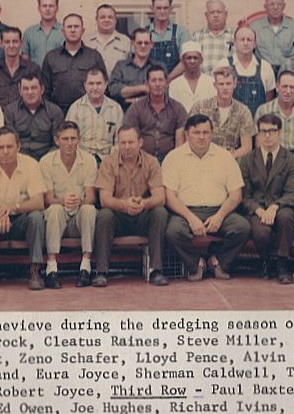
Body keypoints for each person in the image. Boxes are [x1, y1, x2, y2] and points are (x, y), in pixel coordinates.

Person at [163, 115, 252, 281]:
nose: (201, 137)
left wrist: (220, 216)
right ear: (187, 134)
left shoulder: (225, 156)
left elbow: (236, 194)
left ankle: (217, 261)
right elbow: (169, 196)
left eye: (206, 132)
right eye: (196, 133)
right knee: (173, 232)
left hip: (219, 210)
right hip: (185, 211)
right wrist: (190, 218)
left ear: (212, 134)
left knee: (243, 227)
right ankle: (196, 264)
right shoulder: (174, 157)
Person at [94, 125, 170, 287]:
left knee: (160, 212)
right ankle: (101, 272)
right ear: (118, 144)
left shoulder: (151, 162)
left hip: (143, 215)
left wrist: (144, 203)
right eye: (123, 143)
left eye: (131, 142)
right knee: (104, 214)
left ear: (140, 142)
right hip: (119, 217)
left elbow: (160, 197)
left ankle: (156, 270)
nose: (127, 147)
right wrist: (124, 204)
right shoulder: (108, 163)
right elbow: (104, 199)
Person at [0, 127, 47, 291]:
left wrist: (12, 208)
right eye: (0, 147)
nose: (5, 151)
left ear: (18, 146)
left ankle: (36, 271)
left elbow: (38, 202)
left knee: (36, 217)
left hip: (21, 219)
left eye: (10, 146)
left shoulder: (31, 164)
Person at [239, 115, 294, 283]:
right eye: (263, 131)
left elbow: (292, 193)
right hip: (257, 208)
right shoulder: (247, 160)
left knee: (286, 218)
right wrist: (259, 210)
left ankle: (282, 264)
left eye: (272, 131)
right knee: (262, 232)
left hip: (281, 206)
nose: (267, 136)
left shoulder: (292, 160)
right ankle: (265, 262)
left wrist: (275, 207)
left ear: (280, 133)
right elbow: (245, 196)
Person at [40, 121, 99, 287]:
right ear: (56, 140)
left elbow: (91, 196)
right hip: (57, 219)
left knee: (89, 209)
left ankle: (85, 267)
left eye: (73, 138)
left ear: (79, 139)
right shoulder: (46, 162)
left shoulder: (89, 160)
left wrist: (80, 201)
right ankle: (51, 268)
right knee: (54, 209)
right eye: (65, 139)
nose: (69, 143)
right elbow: (47, 199)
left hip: (79, 217)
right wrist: (62, 201)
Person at [41, 13, 107, 112]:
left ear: (82, 31)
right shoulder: (51, 57)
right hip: (58, 112)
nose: (73, 30)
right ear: (63, 31)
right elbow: (45, 90)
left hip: (87, 111)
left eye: (76, 26)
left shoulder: (94, 57)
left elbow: (104, 87)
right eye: (69, 27)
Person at [121, 65, 187, 161]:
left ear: (167, 83)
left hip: (170, 160)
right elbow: (131, 138)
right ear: (147, 84)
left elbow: (180, 144)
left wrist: (174, 162)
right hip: (142, 160)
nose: (157, 84)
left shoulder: (177, 108)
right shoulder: (136, 108)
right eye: (153, 80)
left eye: (160, 80)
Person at [189, 65, 255, 158]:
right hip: (202, 157)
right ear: (215, 85)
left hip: (230, 159)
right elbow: (189, 139)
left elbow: (247, 147)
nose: (225, 87)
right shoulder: (200, 107)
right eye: (221, 84)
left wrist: (226, 158)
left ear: (235, 84)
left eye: (228, 83)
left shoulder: (243, 111)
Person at [255, 69, 294, 155]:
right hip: (272, 157)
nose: (288, 91)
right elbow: (259, 144)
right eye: (284, 86)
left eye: (292, 87)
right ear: (277, 87)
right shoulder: (264, 111)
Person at [66, 68, 124, 163]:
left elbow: (120, 141)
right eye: (91, 84)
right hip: (81, 160)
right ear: (85, 85)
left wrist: (111, 160)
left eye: (99, 83)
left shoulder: (116, 109)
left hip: (108, 160)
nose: (95, 87)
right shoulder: (75, 108)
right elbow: (69, 139)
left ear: (106, 84)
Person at [4, 70, 64, 160]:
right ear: (20, 91)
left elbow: (57, 143)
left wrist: (45, 161)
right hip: (19, 160)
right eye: (25, 89)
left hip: (47, 160)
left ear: (42, 89)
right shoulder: (10, 111)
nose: (30, 92)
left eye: (34, 88)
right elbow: (11, 142)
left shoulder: (54, 112)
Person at [0, 26, 34, 109]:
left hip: (23, 116)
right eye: (7, 42)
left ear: (21, 43)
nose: (11, 45)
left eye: (15, 41)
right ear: (1, 43)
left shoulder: (32, 68)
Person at [249, 0, 294, 72]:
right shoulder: (254, 27)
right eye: (272, 4)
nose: (275, 7)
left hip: (288, 71)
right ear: (265, 6)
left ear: (284, 6)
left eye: (279, 4)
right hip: (262, 71)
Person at [228, 26, 275, 114]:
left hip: (258, 120)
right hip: (232, 120)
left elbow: (269, 100)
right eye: (242, 39)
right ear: (235, 42)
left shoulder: (266, 67)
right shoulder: (224, 64)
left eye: (249, 40)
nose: (246, 43)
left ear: (255, 44)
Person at [109, 27, 156, 107]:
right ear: (132, 43)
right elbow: (113, 90)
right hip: (125, 112)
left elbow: (163, 92)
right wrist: (143, 88)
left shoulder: (158, 67)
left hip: (152, 112)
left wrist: (132, 97)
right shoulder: (121, 66)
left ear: (151, 44)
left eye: (146, 43)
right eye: (139, 43)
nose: (143, 46)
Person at [83, 4, 131, 78]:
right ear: (96, 20)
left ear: (115, 20)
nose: (106, 20)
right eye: (102, 17)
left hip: (118, 84)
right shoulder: (86, 42)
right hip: (93, 84)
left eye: (110, 17)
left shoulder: (126, 41)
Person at [147, 0, 189, 73]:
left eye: (165, 8)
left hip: (175, 79)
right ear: (152, 8)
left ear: (171, 9)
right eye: (159, 8)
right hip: (150, 79)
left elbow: (185, 61)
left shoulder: (181, 32)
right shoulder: (145, 33)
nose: (162, 11)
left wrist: (168, 78)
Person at [22, 0, 64, 66]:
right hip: (35, 73)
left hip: (59, 73)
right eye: (44, 6)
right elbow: (24, 60)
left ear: (57, 9)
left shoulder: (65, 31)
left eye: (51, 6)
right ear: (39, 8)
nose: (47, 9)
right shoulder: (29, 33)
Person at [168, 42, 216, 106]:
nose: (192, 61)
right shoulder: (174, 85)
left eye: (195, 58)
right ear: (183, 61)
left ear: (201, 60)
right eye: (189, 58)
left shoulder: (211, 83)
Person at [194, 0, 235, 72]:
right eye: (212, 12)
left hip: (226, 78)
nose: (216, 15)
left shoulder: (234, 36)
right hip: (203, 78)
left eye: (219, 12)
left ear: (226, 14)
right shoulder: (196, 37)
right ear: (206, 15)